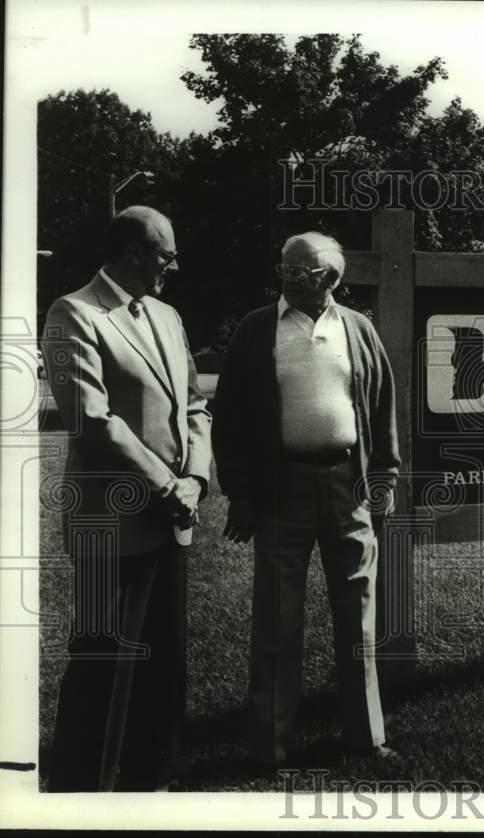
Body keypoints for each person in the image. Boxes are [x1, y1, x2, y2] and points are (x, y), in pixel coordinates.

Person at [212, 231, 400, 766]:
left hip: (350, 487)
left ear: (331, 279)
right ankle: (268, 747)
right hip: (281, 491)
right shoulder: (256, 330)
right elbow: (228, 420)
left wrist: (383, 478)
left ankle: (366, 738)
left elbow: (382, 404)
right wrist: (241, 495)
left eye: (302, 270)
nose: (288, 276)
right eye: (285, 266)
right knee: (277, 619)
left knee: (358, 615)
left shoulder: (358, 330)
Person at [41, 206, 211, 791]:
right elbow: (91, 421)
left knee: (164, 664)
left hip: (171, 520)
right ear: (135, 252)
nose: (174, 265)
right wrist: (167, 485)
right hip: (105, 526)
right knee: (97, 664)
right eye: (166, 254)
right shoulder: (73, 312)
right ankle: (76, 796)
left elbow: (194, 406)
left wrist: (196, 480)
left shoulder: (167, 315)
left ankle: (151, 785)